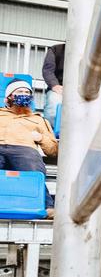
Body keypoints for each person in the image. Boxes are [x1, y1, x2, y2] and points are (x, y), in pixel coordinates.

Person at [0, 81, 56, 211]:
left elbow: (53, 151)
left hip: (24, 149)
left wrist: (41, 138)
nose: (24, 94)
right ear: (9, 97)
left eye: (27, 92)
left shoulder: (39, 119)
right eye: (19, 92)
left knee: (33, 169)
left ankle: (47, 207)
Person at [41, 43, 65, 108]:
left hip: (83, 91)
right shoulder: (55, 49)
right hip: (59, 88)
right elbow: (48, 71)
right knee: (54, 102)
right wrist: (54, 85)